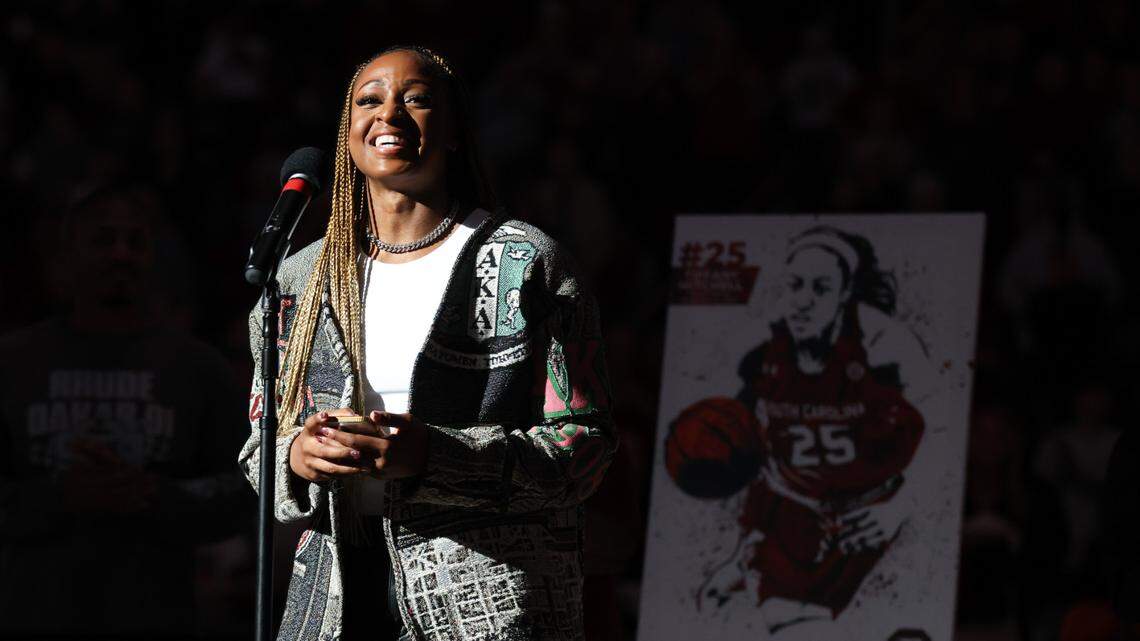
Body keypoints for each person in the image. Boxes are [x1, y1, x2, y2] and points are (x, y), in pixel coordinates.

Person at [237, 46, 617, 641]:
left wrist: (434, 460)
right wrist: (297, 457)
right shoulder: (300, 279)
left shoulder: (526, 264)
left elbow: (585, 446)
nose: (388, 114)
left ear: (457, 132)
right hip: (333, 599)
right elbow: (258, 446)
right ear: (348, 132)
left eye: (415, 99)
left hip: (486, 597)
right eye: (369, 100)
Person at [0, 180, 250, 637]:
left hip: (157, 617)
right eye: (103, 239)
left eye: (134, 241)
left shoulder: (196, 369)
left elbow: (244, 491)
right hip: (32, 615)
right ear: (66, 254)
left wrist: (155, 494)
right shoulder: (13, 364)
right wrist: (60, 497)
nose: (121, 253)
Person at [695, 226, 932, 639]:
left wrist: (902, 507)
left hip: (875, 514)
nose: (803, 301)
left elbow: (943, 429)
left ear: (844, 295)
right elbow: (760, 463)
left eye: (821, 288)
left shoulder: (885, 346)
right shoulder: (760, 352)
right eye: (795, 285)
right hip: (800, 523)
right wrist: (740, 557)